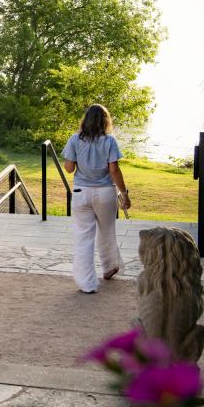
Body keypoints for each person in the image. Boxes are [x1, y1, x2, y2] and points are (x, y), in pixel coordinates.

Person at [62, 104, 131, 294]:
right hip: (105, 193)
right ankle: (109, 266)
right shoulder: (109, 141)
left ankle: (87, 283)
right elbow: (114, 170)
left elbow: (69, 168)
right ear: (105, 121)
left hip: (81, 192)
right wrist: (124, 194)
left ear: (85, 120)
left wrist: (76, 159)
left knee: (84, 237)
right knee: (107, 230)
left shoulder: (75, 140)